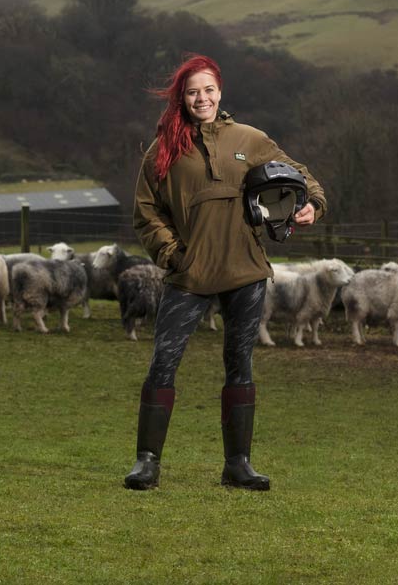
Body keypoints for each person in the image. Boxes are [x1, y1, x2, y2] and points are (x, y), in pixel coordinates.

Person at [124, 54, 326, 491]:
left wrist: (312, 203)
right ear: (183, 97)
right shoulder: (163, 150)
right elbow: (145, 212)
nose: (202, 98)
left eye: (209, 89)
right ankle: (147, 462)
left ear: (220, 91)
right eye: (193, 91)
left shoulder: (249, 139)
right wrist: (174, 256)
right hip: (190, 274)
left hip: (245, 272)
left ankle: (238, 464)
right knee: (164, 362)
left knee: (241, 364)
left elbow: (301, 176)